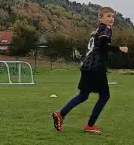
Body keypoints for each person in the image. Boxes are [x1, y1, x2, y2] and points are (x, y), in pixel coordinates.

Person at [52, 7, 128, 135]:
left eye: (113, 16)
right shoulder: (106, 29)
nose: (111, 19)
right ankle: (90, 125)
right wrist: (119, 48)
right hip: (96, 67)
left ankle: (60, 114)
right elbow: (103, 46)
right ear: (100, 18)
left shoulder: (96, 30)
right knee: (105, 96)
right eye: (108, 16)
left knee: (83, 95)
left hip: (86, 66)